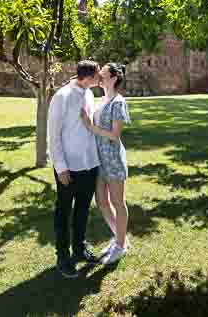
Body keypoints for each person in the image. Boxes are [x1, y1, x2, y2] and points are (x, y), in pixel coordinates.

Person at [47, 60, 102, 278]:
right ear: (88, 76)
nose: (100, 79)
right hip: (68, 168)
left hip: (90, 164)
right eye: (98, 75)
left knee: (82, 210)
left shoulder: (89, 93)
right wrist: (60, 168)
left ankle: (79, 249)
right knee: (63, 212)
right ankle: (63, 257)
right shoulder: (62, 96)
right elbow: (54, 135)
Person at [81, 63, 132, 265]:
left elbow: (114, 134)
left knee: (118, 203)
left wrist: (91, 127)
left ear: (112, 77)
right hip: (98, 159)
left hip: (113, 159)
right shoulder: (101, 100)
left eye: (102, 73)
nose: (99, 75)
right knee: (102, 202)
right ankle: (120, 237)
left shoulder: (118, 102)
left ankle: (119, 246)